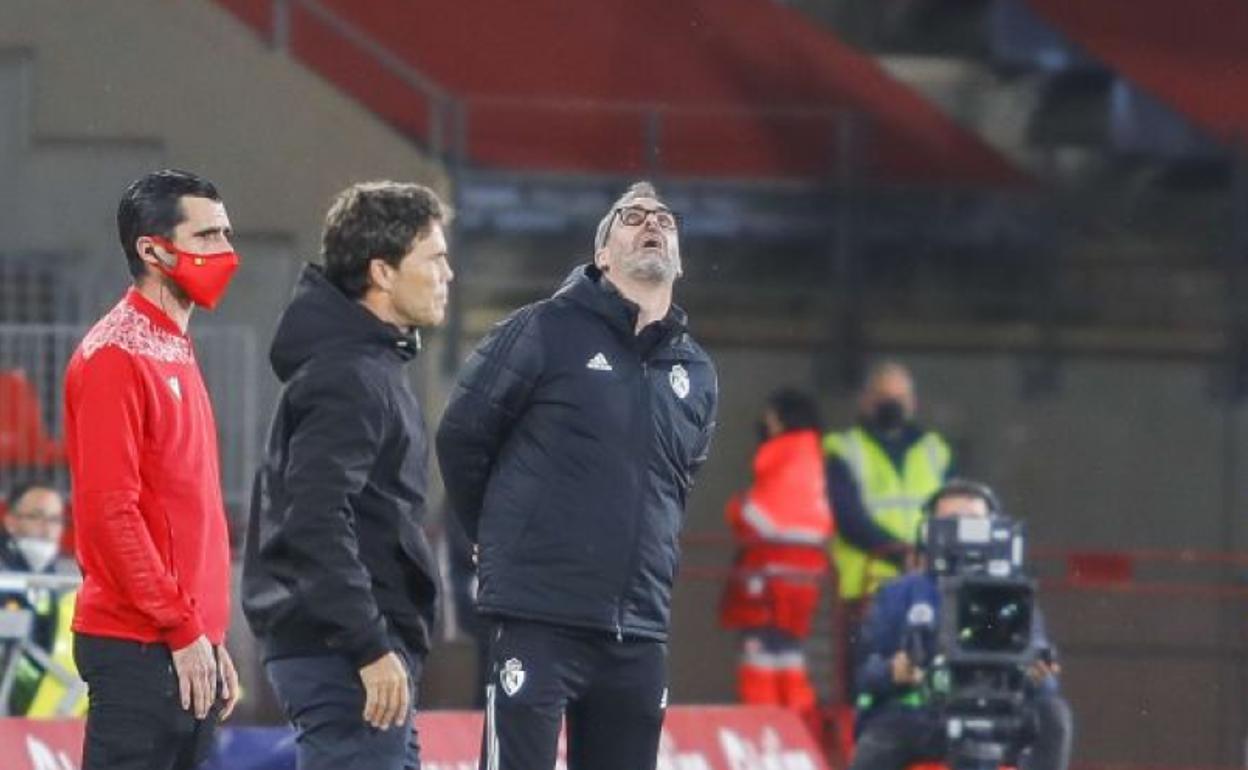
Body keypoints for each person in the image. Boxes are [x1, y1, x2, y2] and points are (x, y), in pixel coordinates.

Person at [437, 180, 718, 770]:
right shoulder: (542, 329)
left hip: (638, 631)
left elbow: (677, 481)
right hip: (539, 618)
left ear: (680, 258)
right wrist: (486, 536)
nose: (653, 224)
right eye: (633, 216)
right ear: (603, 256)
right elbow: (461, 436)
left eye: (665, 219)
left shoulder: (695, 370)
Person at [243, 181, 452, 770]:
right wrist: (368, 643)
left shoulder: (368, 365)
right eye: (434, 259)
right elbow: (314, 518)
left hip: (350, 648)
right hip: (345, 653)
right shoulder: (349, 374)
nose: (448, 274)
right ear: (382, 273)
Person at [63, 169, 242, 769]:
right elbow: (110, 512)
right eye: (208, 236)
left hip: (183, 642)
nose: (226, 252)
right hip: (140, 645)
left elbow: (184, 507)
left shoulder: (172, 345)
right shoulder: (115, 354)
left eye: (226, 234)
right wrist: (184, 628)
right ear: (153, 250)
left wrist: (210, 636)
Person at [849, 479, 1073, 770]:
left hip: (1000, 715)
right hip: (922, 715)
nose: (965, 535)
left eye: (976, 523)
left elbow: (1044, 674)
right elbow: (863, 672)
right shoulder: (900, 593)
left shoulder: (1014, 593)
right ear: (929, 532)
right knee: (877, 744)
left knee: (1054, 717)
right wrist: (893, 671)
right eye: (952, 523)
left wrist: (1039, 674)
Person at [824, 361, 954, 700]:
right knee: (868, 684)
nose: (892, 404)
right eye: (883, 396)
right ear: (865, 399)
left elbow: (956, 511)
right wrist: (902, 553)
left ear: (913, 402)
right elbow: (849, 517)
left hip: (929, 589)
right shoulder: (843, 448)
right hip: (868, 591)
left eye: (899, 396)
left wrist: (927, 556)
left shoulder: (935, 451)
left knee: (929, 681)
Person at [719, 389, 833, 726]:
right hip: (804, 574)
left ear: (782, 418)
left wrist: (736, 508)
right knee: (789, 655)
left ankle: (763, 727)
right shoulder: (813, 456)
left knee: (759, 655)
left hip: (770, 573)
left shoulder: (782, 454)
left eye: (769, 415)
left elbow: (761, 516)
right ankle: (799, 729)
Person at [0, 483, 85, 717]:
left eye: (55, 519)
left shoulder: (72, 579)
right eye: (36, 517)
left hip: (57, 720)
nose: (47, 528)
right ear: (10, 521)